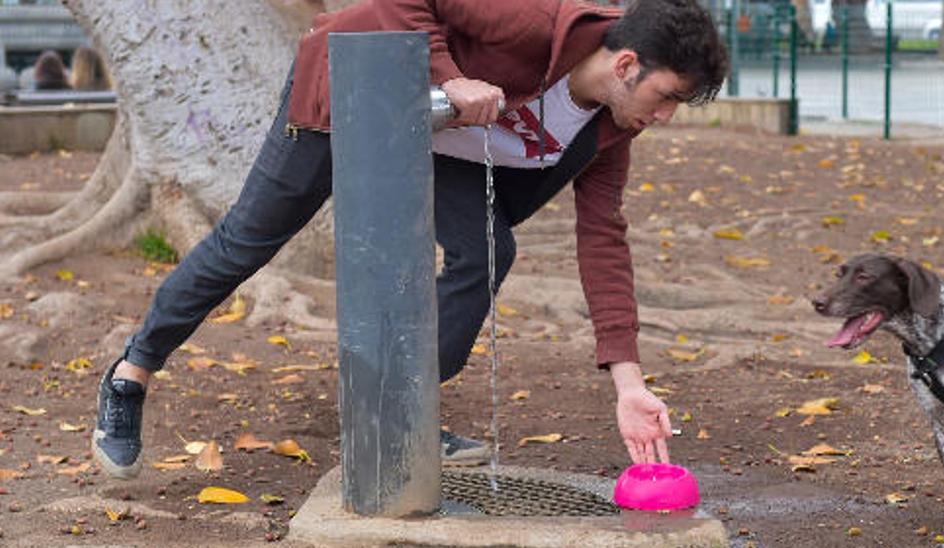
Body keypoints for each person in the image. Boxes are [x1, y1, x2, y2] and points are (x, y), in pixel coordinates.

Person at [93, 0, 728, 479]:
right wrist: (449, 73)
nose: (666, 117)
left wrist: (628, 383)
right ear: (625, 64)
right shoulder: (532, 20)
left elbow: (604, 242)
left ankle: (402, 411)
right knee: (249, 241)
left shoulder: (612, 128)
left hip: (435, 140)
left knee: (488, 249)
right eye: (668, 97)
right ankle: (131, 373)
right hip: (351, 86)